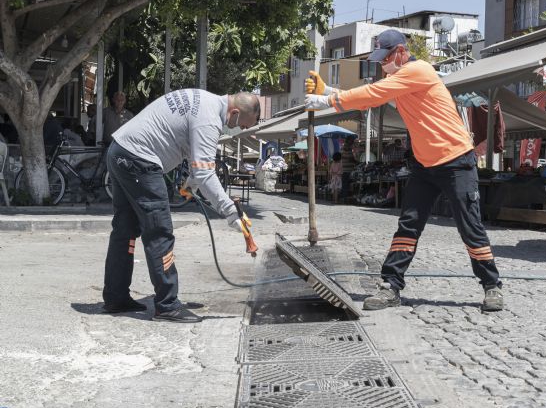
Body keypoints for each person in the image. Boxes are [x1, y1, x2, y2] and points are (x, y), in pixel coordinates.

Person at [305, 29, 503, 312]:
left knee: (469, 226)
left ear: (399, 52)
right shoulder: (399, 80)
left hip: (456, 160)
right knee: (408, 225)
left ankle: (491, 286)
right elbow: (374, 97)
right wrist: (328, 91)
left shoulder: (418, 70)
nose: (381, 64)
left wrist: (326, 101)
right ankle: (391, 285)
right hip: (424, 164)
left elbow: (372, 94)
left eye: (385, 58)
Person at [103, 89, 260, 323]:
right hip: (140, 161)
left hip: (120, 151)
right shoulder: (208, 120)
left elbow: (196, 159)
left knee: (124, 230)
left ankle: (116, 297)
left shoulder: (203, 100)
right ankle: (167, 306)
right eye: (242, 125)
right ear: (235, 112)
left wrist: (191, 184)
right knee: (159, 231)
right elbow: (206, 172)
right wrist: (230, 212)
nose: (241, 130)